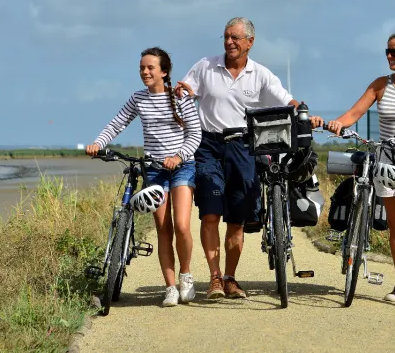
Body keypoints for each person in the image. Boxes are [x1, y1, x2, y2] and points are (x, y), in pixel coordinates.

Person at [311, 30, 395, 312]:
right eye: (388, 51)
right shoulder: (379, 85)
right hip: (387, 159)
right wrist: (337, 124)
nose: (390, 56)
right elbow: (354, 114)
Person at [175, 17, 300, 301]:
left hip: (244, 147)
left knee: (237, 220)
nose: (229, 42)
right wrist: (183, 93)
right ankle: (215, 278)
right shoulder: (206, 66)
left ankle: (230, 277)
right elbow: (186, 91)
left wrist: (302, 110)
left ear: (250, 42)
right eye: (226, 37)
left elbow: (286, 100)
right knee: (210, 214)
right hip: (208, 146)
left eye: (235, 38)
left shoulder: (262, 75)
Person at [86, 47, 202, 308]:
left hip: (182, 167)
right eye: (142, 68)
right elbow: (117, 123)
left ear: (164, 71)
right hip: (154, 169)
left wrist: (179, 156)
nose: (145, 72)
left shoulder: (180, 97)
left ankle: (186, 275)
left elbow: (195, 134)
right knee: (163, 228)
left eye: (150, 67)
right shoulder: (138, 98)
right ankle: (170, 287)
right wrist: (98, 143)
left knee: (182, 225)